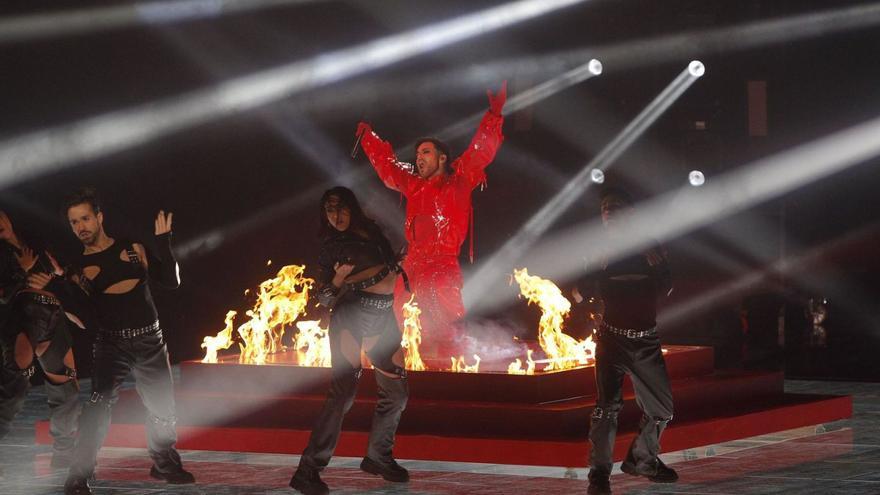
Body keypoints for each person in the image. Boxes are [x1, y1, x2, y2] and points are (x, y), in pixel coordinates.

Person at [356, 83, 507, 358]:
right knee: (397, 314)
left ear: (442, 158)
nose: (419, 158)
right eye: (417, 154)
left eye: (426, 152)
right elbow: (387, 165)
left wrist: (494, 114)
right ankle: (403, 366)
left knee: (441, 324)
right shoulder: (413, 184)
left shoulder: (460, 181)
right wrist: (368, 136)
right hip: (413, 260)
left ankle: (448, 368)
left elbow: (481, 151)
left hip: (442, 262)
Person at [61, 188, 193, 495]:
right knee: (97, 408)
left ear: (99, 217)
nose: (80, 226)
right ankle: (78, 476)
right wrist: (65, 289)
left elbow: (171, 282)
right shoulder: (77, 270)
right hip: (111, 346)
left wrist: (164, 242)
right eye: (73, 222)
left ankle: (164, 462)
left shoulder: (133, 248)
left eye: (85, 218)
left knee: (163, 407)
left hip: (150, 340)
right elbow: (84, 318)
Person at [290, 187, 409, 495]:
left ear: (352, 208)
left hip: (383, 318)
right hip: (352, 317)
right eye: (330, 211)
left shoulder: (373, 232)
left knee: (396, 392)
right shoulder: (331, 247)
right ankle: (307, 471)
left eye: (340, 209)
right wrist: (338, 279)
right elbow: (324, 297)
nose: (335, 216)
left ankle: (378, 457)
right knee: (343, 394)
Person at [572, 186, 678, 495]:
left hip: (645, 342)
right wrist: (595, 274)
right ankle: (599, 476)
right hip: (611, 341)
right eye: (605, 210)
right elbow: (579, 294)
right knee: (607, 409)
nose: (609, 214)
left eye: (615, 209)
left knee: (662, 409)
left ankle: (642, 460)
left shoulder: (649, 246)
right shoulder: (597, 249)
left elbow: (667, 286)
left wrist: (655, 267)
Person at [0, 210, 81, 469]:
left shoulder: (35, 241)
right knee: (13, 391)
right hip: (20, 319)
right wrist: (23, 275)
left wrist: (56, 277)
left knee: (65, 385)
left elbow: (64, 275)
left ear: (6, 216)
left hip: (52, 316)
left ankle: (64, 452)